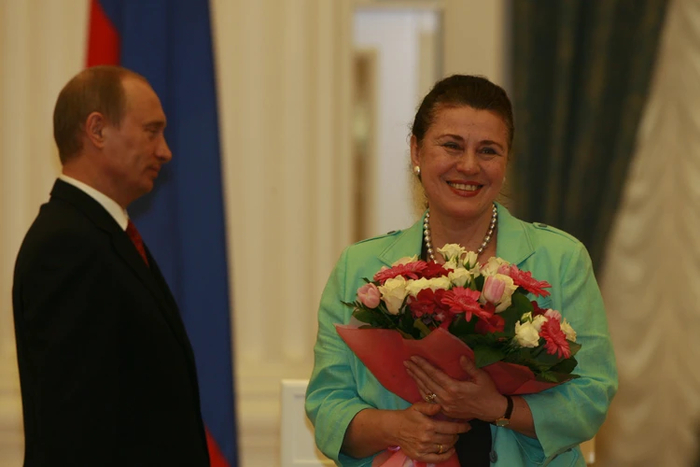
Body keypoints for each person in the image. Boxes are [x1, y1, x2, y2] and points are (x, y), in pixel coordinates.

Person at [305, 74, 618, 466]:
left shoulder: (560, 259)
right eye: (452, 146)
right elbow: (327, 402)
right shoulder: (361, 267)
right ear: (416, 151)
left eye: (488, 151)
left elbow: (591, 395)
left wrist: (499, 407)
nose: (469, 166)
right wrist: (397, 428)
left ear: (506, 161)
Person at [12, 66, 210, 466]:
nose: (165, 151)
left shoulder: (101, 235)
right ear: (97, 130)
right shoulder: (66, 246)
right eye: (151, 131)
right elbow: (73, 431)